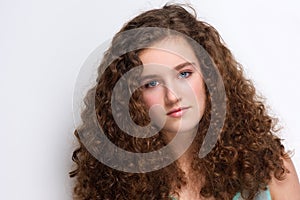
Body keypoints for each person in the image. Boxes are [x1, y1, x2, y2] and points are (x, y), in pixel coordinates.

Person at [70, 4, 300, 200]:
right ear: (130, 98)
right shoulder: (116, 188)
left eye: (184, 74)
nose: (173, 96)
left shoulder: (271, 167)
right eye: (151, 83)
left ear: (210, 75)